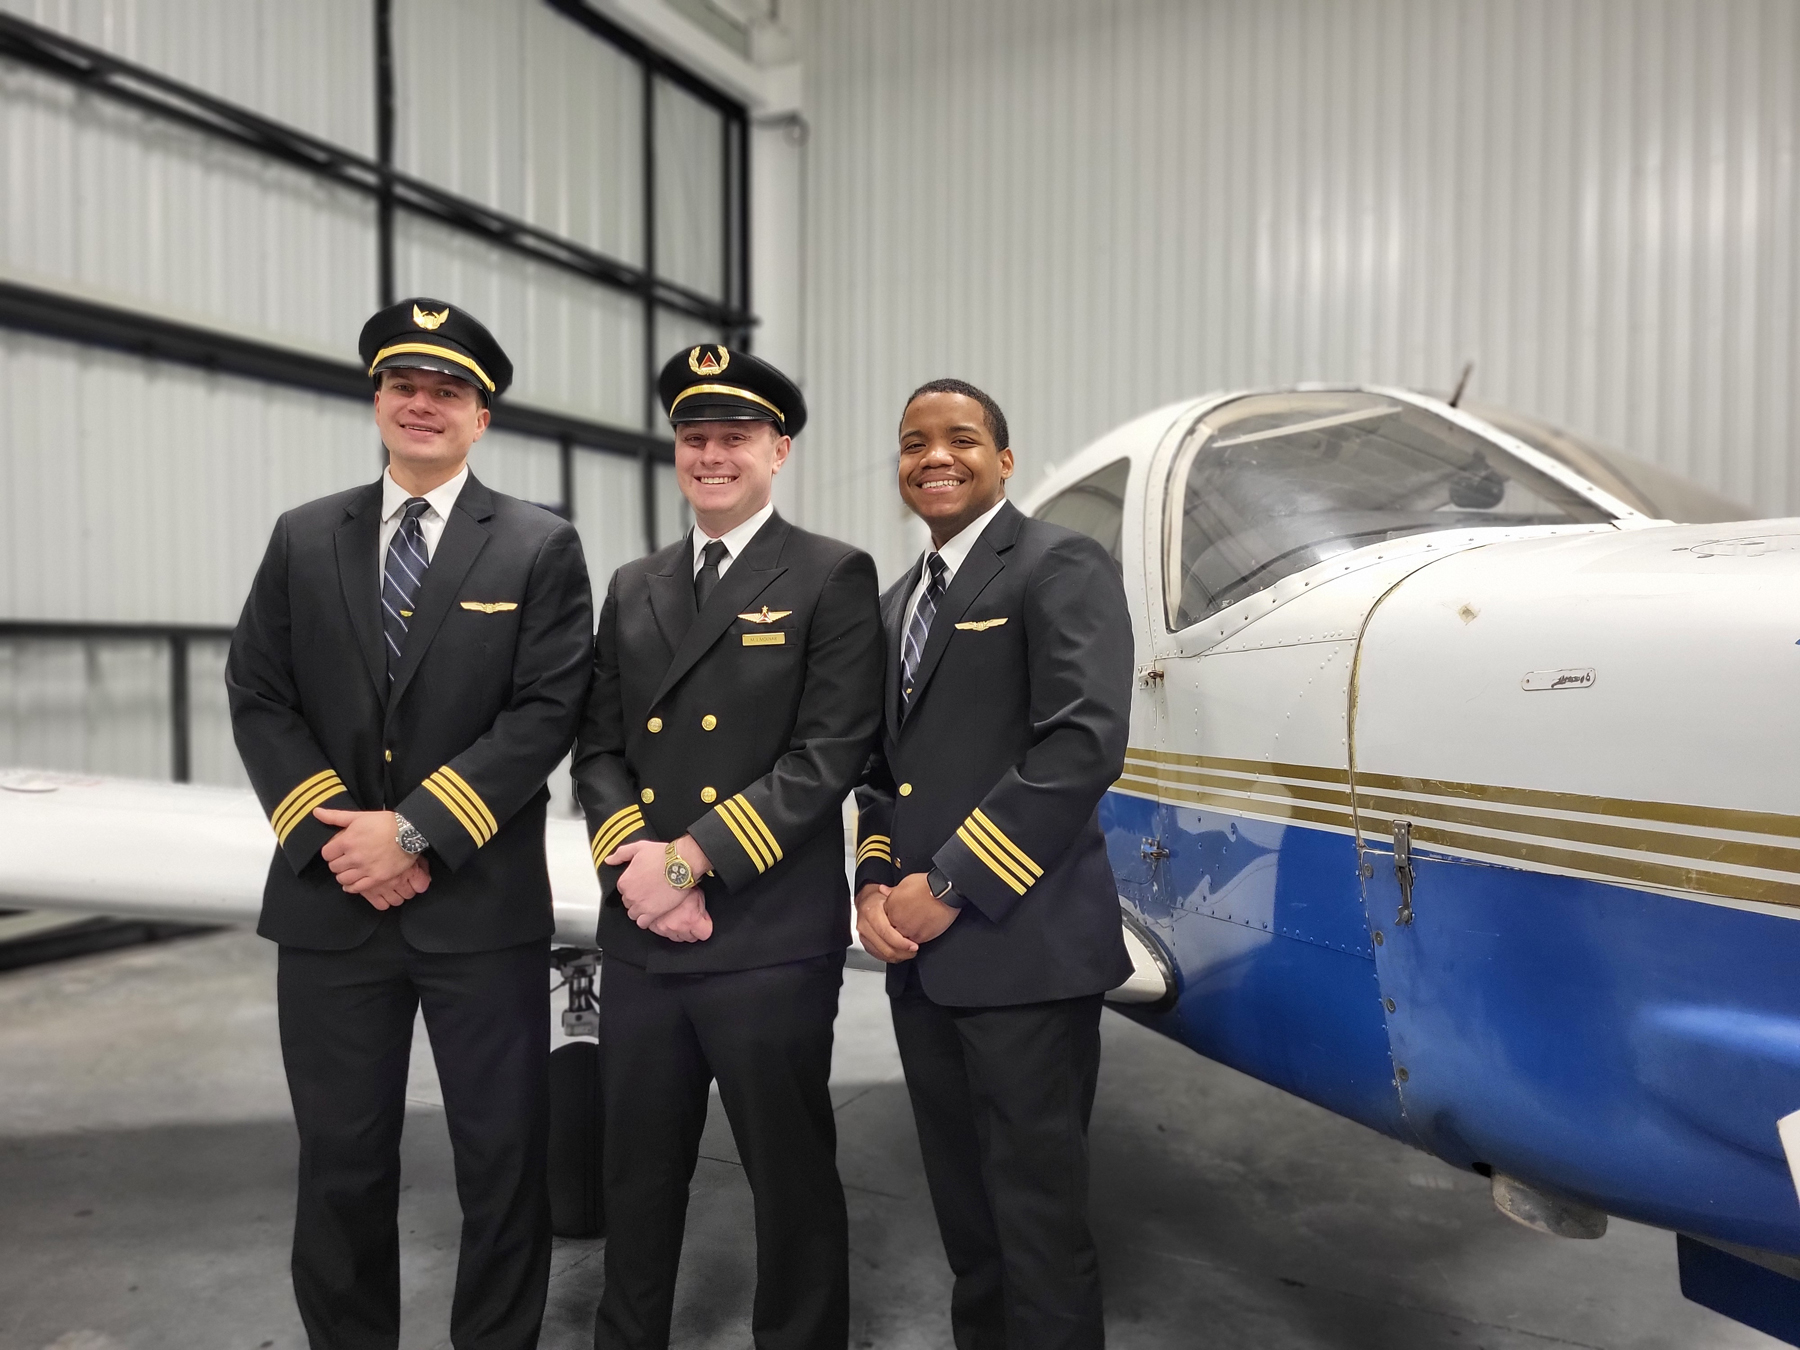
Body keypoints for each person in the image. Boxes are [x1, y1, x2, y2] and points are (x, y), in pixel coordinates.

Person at [226, 298, 593, 1350]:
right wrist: (338, 842)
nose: (423, 405)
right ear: (378, 399)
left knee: (501, 1158)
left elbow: (546, 713)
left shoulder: (537, 546)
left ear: (483, 418)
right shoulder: (303, 537)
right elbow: (258, 693)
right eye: (405, 386)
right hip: (330, 905)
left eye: (449, 392)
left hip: (478, 907)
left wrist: (417, 832)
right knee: (341, 1161)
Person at [571, 344, 883, 1350]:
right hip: (646, 933)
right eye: (694, 438)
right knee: (639, 1166)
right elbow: (600, 746)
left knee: (786, 1170)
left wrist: (689, 859)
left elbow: (828, 752)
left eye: (735, 438)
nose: (711, 456)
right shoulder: (633, 583)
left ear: (777, 449)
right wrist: (637, 867)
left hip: (767, 933)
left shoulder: (831, 574)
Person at [853, 378, 1134, 1350]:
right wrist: (874, 885)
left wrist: (948, 886)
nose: (935, 455)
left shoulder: (1060, 565)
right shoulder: (895, 605)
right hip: (921, 962)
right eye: (913, 442)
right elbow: (882, 773)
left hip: (1026, 955)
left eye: (961, 438)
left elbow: (1081, 745)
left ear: (1004, 461)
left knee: (1038, 1226)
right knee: (969, 1224)